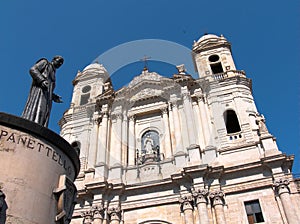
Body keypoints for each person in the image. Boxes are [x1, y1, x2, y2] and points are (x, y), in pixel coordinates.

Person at [22, 56, 64, 127]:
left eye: (61, 63)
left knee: (42, 113)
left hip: (47, 98)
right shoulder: (45, 63)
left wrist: (53, 96)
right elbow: (33, 69)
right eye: (59, 61)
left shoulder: (53, 74)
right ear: (53, 59)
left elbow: (48, 88)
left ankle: (38, 127)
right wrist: (42, 80)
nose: (60, 64)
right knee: (36, 109)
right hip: (38, 92)